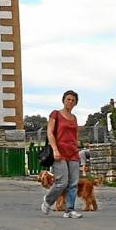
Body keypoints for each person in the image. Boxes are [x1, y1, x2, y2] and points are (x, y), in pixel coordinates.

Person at [41, 90, 82, 218]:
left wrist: (77, 148)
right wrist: (55, 150)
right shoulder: (56, 114)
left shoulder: (74, 118)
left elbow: (75, 136)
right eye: (68, 99)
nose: (70, 101)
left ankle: (69, 210)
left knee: (73, 183)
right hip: (59, 152)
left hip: (73, 152)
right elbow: (50, 132)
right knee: (62, 182)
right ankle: (48, 201)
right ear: (63, 100)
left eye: (73, 100)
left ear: (75, 103)